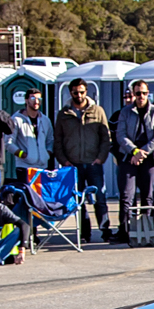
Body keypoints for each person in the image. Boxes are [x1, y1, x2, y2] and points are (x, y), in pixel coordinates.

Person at [53, 78, 114, 240]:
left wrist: (101, 158)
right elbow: (57, 140)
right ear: (70, 92)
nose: (79, 95)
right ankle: (84, 233)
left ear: (86, 92)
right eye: (75, 92)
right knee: (78, 202)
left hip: (94, 163)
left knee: (100, 198)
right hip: (72, 165)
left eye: (82, 92)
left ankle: (105, 231)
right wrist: (64, 161)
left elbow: (106, 137)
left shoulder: (97, 111)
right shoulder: (63, 114)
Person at [112, 80, 154, 243]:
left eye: (144, 93)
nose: (141, 96)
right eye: (137, 93)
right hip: (129, 157)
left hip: (149, 158)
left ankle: (148, 230)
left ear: (148, 93)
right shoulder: (125, 112)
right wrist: (134, 151)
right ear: (133, 94)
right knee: (126, 196)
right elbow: (120, 135)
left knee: (148, 196)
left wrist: (144, 151)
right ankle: (125, 231)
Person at [8, 88, 53, 178]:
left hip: (42, 167)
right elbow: (8, 142)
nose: (36, 102)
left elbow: (50, 140)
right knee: (27, 192)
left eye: (39, 99)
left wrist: (47, 154)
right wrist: (23, 155)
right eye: (33, 98)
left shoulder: (45, 120)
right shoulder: (16, 119)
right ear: (26, 100)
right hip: (24, 167)